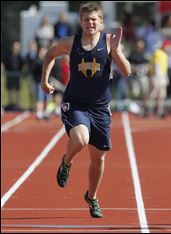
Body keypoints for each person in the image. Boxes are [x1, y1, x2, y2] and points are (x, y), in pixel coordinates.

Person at [41, 2, 131, 218]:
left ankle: (92, 197)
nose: (90, 23)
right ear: (81, 22)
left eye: (94, 20)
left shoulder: (110, 42)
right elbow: (49, 55)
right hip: (75, 103)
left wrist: (116, 50)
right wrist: (45, 80)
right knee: (81, 139)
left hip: (100, 108)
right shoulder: (70, 43)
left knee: (98, 159)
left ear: (101, 22)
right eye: (86, 20)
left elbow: (126, 71)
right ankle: (66, 162)